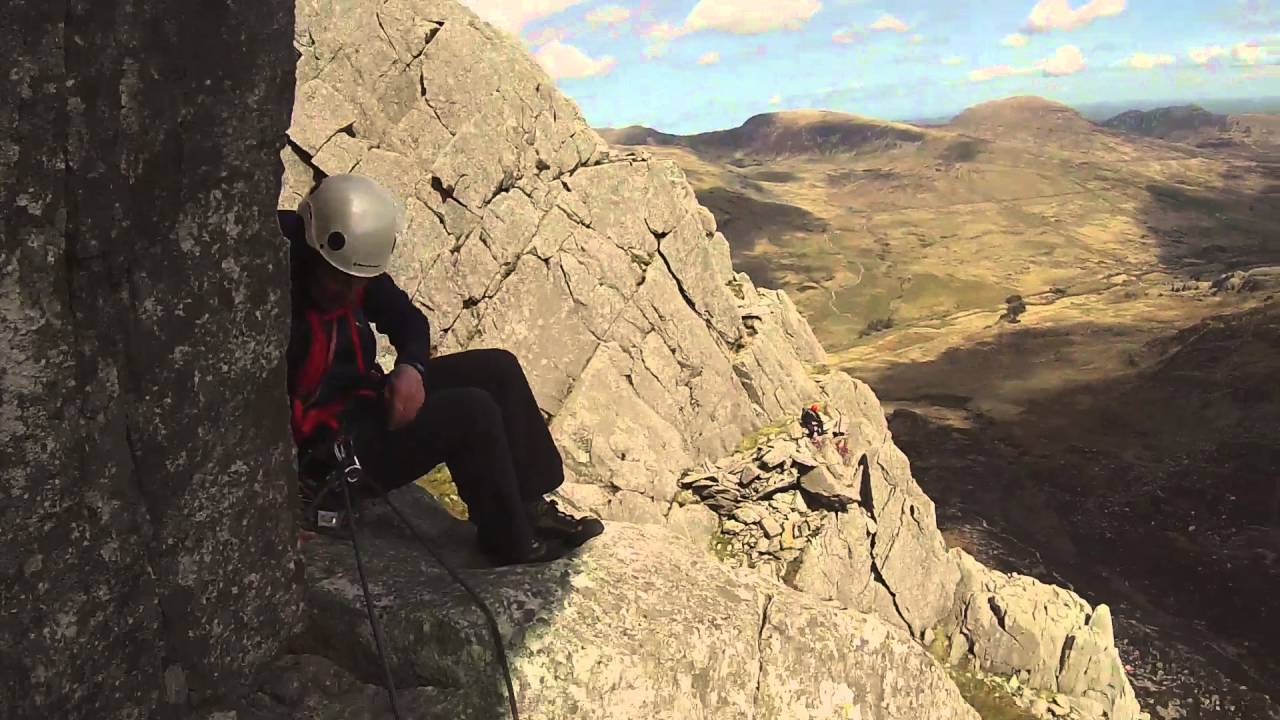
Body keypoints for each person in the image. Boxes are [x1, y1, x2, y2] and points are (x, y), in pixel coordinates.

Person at [282, 173, 603, 566]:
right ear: (314, 247)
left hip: (359, 409)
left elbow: (408, 320)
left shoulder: (344, 262)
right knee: (470, 413)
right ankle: (510, 544)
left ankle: (531, 505)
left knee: (496, 368)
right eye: (341, 281)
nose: (351, 293)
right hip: (327, 457)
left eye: (359, 282)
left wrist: (412, 368)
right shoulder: (272, 276)